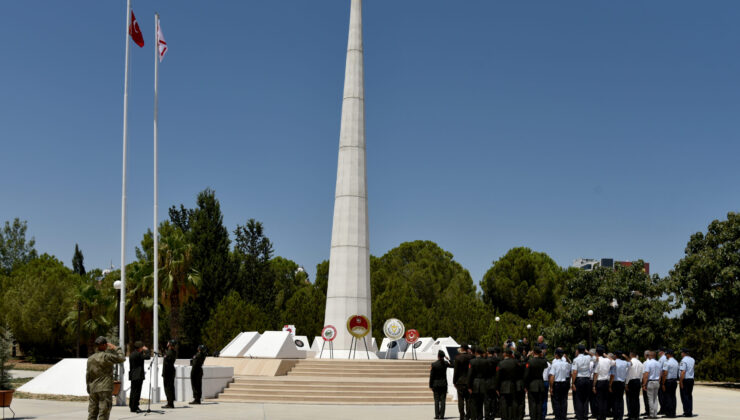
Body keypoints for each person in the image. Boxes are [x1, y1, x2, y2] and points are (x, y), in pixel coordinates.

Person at [86, 336, 125, 420]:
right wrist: (116, 348)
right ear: (104, 345)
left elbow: (88, 375)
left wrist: (89, 387)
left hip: (93, 388)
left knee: (92, 413)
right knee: (104, 413)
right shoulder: (106, 357)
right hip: (104, 389)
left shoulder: (90, 358)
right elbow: (122, 358)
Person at [524, 347, 548, 420]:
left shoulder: (530, 362)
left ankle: (533, 417)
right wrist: (541, 355)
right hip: (540, 383)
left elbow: (526, 375)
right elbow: (545, 362)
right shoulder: (543, 361)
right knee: (539, 403)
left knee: (533, 404)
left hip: (532, 384)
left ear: (533, 353)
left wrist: (525, 385)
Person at [496, 349, 518, 420]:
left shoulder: (501, 363)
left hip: (503, 385)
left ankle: (505, 417)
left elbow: (498, 376)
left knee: (504, 403)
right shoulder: (515, 362)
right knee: (512, 403)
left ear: (505, 354)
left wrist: (497, 387)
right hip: (513, 384)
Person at [571, 344, 592, 420]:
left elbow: (575, 372)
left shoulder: (575, 359)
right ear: (584, 350)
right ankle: (585, 415)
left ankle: (580, 416)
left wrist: (573, 383)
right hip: (587, 379)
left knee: (579, 399)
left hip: (579, 379)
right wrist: (588, 352)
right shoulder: (588, 357)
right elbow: (595, 357)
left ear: (577, 350)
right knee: (586, 399)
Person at [454, 343, 474, 420]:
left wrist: (454, 381)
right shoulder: (472, 357)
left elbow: (456, 371)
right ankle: (468, 415)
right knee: (469, 400)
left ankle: (462, 416)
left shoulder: (458, 358)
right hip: (469, 381)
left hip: (460, 381)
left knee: (461, 400)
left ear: (462, 349)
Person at [128, 341, 150, 413]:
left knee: (133, 391)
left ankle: (132, 405)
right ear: (139, 348)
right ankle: (135, 407)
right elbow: (147, 357)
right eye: (141, 347)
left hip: (133, 375)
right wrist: (147, 350)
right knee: (137, 392)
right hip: (138, 375)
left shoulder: (133, 354)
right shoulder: (138, 354)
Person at [549, 348, 570, 420]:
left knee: (557, 401)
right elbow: (568, 374)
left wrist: (551, 387)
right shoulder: (566, 364)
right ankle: (563, 416)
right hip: (564, 383)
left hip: (557, 384)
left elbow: (552, 376)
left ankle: (558, 416)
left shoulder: (554, 364)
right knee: (564, 400)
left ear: (556, 355)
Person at [430, 350, 452, 419]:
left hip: (436, 384)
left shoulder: (434, 364)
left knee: (436, 400)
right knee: (443, 400)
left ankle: (437, 415)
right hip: (443, 384)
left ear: (438, 356)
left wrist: (430, 385)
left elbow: (432, 376)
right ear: (443, 356)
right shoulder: (445, 363)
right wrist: (448, 359)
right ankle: (442, 416)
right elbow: (453, 365)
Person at [592, 347, 612, 420]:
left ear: (597, 353)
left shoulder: (598, 361)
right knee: (605, 400)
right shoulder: (607, 360)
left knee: (599, 400)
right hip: (606, 381)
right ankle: (604, 416)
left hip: (599, 382)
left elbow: (596, 374)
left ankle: (600, 416)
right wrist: (606, 356)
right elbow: (614, 362)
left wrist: (594, 385)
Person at [469, 347, 488, 420]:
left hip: (475, 383)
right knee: (481, 403)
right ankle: (480, 418)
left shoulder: (472, 361)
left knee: (474, 403)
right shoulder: (486, 361)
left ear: (476, 353)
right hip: (483, 383)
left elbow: (470, 375)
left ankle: (473, 417)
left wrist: (469, 386)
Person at [610, 351, 630, 420]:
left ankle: (616, 416)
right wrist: (626, 356)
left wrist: (610, 385)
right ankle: (620, 416)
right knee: (620, 399)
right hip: (622, 382)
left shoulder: (613, 363)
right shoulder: (624, 362)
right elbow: (631, 363)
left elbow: (612, 375)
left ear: (615, 355)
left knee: (615, 400)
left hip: (615, 382)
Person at [642, 350, 661, 419]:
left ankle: (652, 414)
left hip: (650, 382)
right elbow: (660, 374)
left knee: (650, 399)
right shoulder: (658, 363)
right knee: (655, 399)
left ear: (651, 356)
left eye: (649, 355)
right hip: (657, 381)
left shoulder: (648, 363)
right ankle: (655, 414)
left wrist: (644, 384)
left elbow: (646, 374)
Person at [625, 351, 643, 420]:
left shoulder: (630, 362)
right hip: (638, 381)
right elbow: (642, 373)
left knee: (630, 399)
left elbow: (628, 374)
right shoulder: (640, 363)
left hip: (631, 381)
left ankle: (631, 415)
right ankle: (636, 415)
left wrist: (626, 383)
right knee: (636, 399)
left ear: (631, 355)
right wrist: (640, 382)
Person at [661, 349, 679, 418]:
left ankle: (669, 413)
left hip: (668, 381)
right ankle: (673, 412)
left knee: (668, 397)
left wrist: (663, 383)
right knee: (673, 397)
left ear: (669, 354)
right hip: (674, 381)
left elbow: (665, 373)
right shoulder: (676, 362)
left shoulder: (667, 362)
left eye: (666, 354)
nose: (665, 355)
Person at [484, 347, 500, 420]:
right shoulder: (498, 360)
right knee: (494, 399)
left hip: (487, 381)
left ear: (488, 352)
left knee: (487, 399)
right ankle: (493, 414)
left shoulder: (485, 361)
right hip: (495, 381)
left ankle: (487, 415)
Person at [678, 348, 695, 417]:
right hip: (691, 379)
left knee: (684, 396)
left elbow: (683, 372)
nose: (681, 354)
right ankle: (690, 411)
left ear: (684, 353)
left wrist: (680, 381)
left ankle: (686, 412)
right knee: (689, 395)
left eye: (681, 352)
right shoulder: (692, 359)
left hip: (685, 379)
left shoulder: (683, 360)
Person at [162, 339, 177, 409]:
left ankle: (170, 403)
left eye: (168, 343)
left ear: (170, 344)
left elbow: (166, 364)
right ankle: (170, 402)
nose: (167, 343)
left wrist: (164, 373)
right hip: (171, 372)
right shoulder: (173, 352)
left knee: (168, 388)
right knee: (170, 387)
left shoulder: (169, 353)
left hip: (168, 372)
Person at [657, 348, 667, 415]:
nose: (658, 353)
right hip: (665, 378)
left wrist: (659, 380)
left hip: (662, 378)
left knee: (661, 395)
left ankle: (663, 409)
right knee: (664, 395)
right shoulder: (665, 358)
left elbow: (661, 370)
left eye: (659, 352)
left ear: (661, 352)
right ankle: (664, 409)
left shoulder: (662, 359)